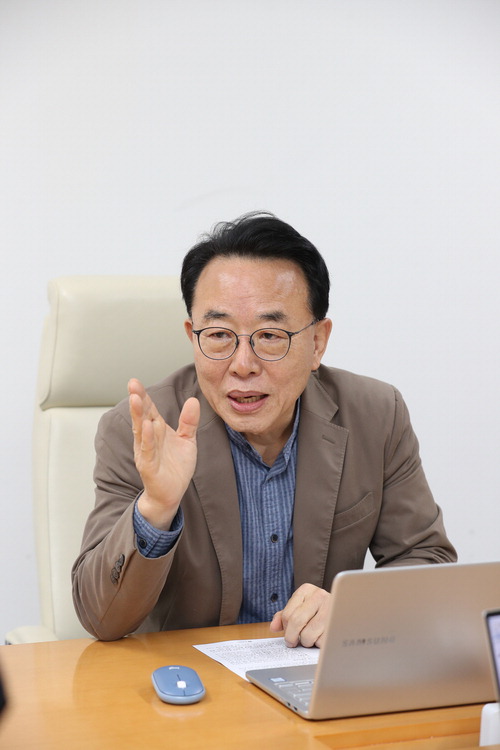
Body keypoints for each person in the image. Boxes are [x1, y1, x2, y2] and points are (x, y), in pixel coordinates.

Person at [72, 212, 456, 646]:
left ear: (317, 342)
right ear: (193, 336)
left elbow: (427, 559)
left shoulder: (375, 415)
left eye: (271, 335)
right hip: (186, 678)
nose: (242, 365)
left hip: (315, 672)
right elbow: (100, 618)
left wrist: (356, 607)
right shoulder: (141, 431)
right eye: (219, 334)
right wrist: (156, 508)